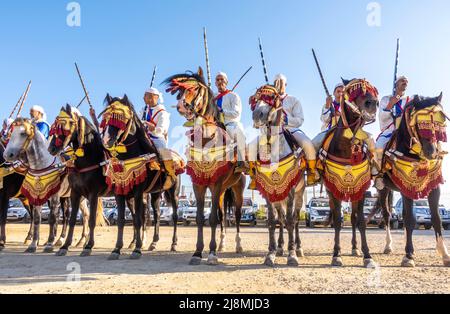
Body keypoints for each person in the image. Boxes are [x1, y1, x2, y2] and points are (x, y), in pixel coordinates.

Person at [274, 74, 318, 185]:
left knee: (308, 144)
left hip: (291, 129)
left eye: (281, 82)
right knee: (257, 148)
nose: (278, 84)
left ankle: (312, 172)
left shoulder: (293, 100)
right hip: (274, 131)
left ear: (286, 84)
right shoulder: (268, 100)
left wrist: (286, 119)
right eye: (276, 82)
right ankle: (255, 175)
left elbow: (300, 119)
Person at [374, 76, 410, 189]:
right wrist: (391, 103)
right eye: (402, 80)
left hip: (407, 132)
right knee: (378, 147)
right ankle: (378, 175)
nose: (405, 82)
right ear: (396, 84)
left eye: (406, 81)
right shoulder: (386, 99)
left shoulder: (410, 100)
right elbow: (382, 117)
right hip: (390, 131)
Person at [140, 87, 176, 190]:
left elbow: (162, 130)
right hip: (143, 136)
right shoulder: (143, 110)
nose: (143, 98)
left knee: (164, 153)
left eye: (145, 96)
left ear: (153, 97)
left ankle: (170, 175)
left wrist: (151, 127)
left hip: (156, 137)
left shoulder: (162, 113)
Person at [214, 72, 248, 173]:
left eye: (222, 79)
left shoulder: (233, 96)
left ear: (226, 82)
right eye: (218, 80)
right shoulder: (213, 98)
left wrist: (222, 111)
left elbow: (236, 113)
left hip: (231, 124)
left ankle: (242, 162)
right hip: (216, 126)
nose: (220, 81)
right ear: (215, 83)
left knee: (239, 133)